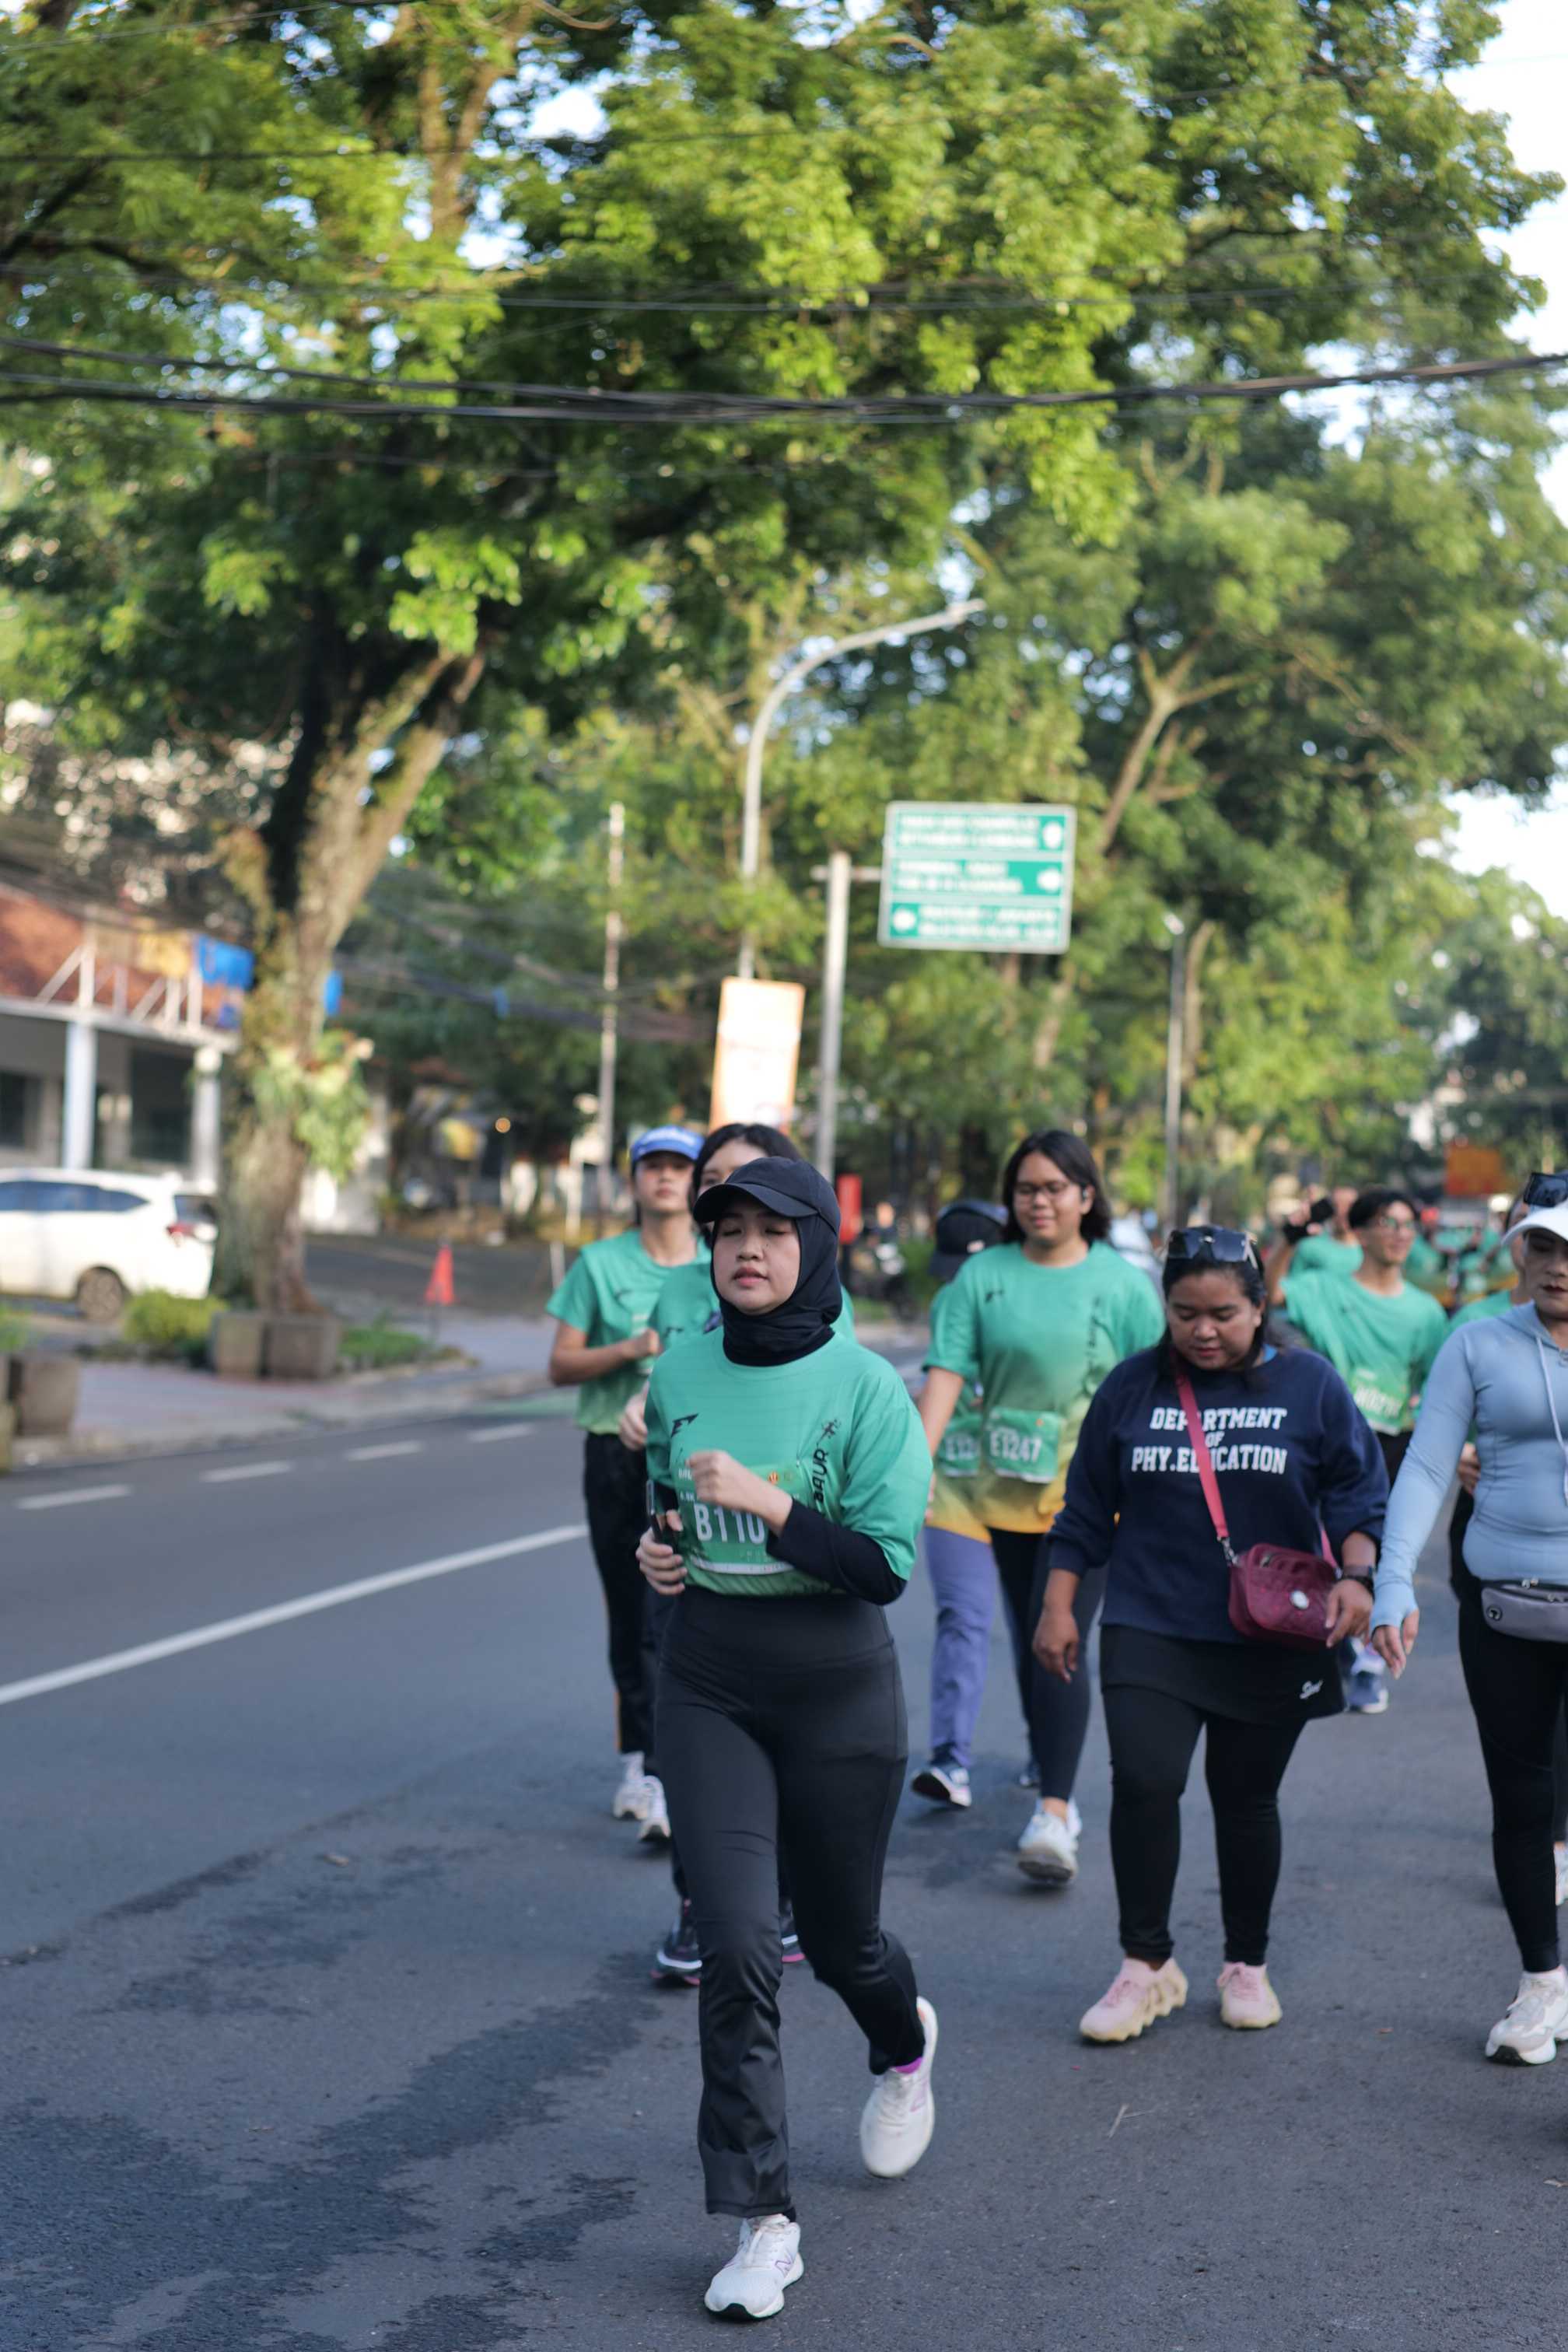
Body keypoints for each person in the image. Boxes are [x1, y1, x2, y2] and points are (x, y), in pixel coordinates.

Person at [638, 1159, 936, 2319]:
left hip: (836, 1686)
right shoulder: (682, 1369)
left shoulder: (865, 1387)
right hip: (710, 1677)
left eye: (772, 1230)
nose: (747, 1250)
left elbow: (883, 1567)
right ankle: (763, 2220)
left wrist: (770, 1505)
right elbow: (669, 1503)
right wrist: (661, 1550)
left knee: (847, 1942)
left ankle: (903, 2047)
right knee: (738, 1945)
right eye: (728, 1232)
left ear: (817, 1246)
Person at [1036, 1228, 1384, 2042]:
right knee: (1144, 1782)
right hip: (1150, 1621)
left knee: (1246, 1797)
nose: (1203, 1330)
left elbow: (1357, 1491)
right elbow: (1083, 1510)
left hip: (1272, 1629)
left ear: (1259, 1307)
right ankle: (1145, 1965)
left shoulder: (1309, 1384)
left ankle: (1245, 1963)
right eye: (1185, 1312)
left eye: (1223, 1314)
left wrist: (1359, 1574)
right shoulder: (1132, 1388)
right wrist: (1057, 1607)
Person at [614, 1120, 849, 1984]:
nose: (745, 1238)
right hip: (699, 1582)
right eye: (718, 1191)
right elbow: (668, 1429)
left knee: (780, 1762)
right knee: (693, 1742)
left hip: (797, 1596)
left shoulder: (829, 1324)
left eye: (765, 1211)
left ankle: (781, 1900)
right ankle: (702, 1906)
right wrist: (658, 1534)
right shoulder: (682, 1294)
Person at [918, 1128, 1164, 1882]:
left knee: (1059, 1636)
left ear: (1086, 1196)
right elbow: (946, 1374)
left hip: (1085, 1504)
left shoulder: (1122, 1285)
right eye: (1026, 1189)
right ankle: (1047, 1765)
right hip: (996, 1494)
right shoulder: (981, 1277)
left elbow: (1154, 1392)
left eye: (1055, 1188)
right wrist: (910, 1469)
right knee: (1034, 1637)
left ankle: (1056, 1811)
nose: (1040, 1202)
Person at [1372, 1182, 1568, 2063]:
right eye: (1543, 1246)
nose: (1557, 1266)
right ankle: (1542, 1985)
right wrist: (1392, 1583)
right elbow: (1423, 1468)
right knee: (1521, 1802)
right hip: (1506, 1606)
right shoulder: (1478, 1342)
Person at [546, 1123, 705, 1841]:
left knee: (683, 1607)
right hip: (616, 1452)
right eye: (653, 1165)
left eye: (679, 1166)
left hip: (692, 1457)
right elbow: (560, 1364)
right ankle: (640, 1761)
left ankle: (685, 1760)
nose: (666, 1177)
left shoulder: (717, 1264)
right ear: (634, 1179)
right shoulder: (600, 1263)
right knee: (630, 1610)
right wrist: (634, 1347)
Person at [1270, 1185, 1448, 1715]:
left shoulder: (1426, 1313)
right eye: (1388, 1223)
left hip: (1390, 1444)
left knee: (1381, 1552)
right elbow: (1268, 1293)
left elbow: (1434, 1388)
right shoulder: (1323, 1287)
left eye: (1408, 1225)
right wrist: (1289, 1239)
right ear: (1362, 1232)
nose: (1400, 1235)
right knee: (1321, 1549)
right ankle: (1325, 1645)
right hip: (1323, 1438)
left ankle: (1369, 1662)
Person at [1444, 1200, 1568, 1909]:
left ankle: (1554, 1833)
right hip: (1494, 1539)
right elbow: (1441, 1423)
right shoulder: (1477, 1326)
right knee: (1525, 1716)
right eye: (1536, 1234)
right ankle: (1539, 1837)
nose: (1551, 1256)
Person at [910, 1198, 1008, 1811]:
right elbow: (937, 1388)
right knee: (963, 1617)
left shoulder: (1034, 1303)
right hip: (956, 1489)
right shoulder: (949, 1305)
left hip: (1035, 1493)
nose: (959, 1285)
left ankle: (1051, 1756)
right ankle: (950, 1760)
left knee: (1041, 1628)